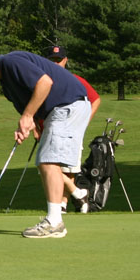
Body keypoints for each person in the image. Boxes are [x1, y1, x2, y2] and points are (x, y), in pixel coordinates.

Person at [0, 51, 91, 238]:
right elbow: (31, 110)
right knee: (46, 161)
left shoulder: (10, 61)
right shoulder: (7, 87)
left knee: (48, 160)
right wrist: (27, 125)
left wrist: (28, 116)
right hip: (60, 110)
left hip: (67, 104)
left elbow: (44, 83)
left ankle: (55, 222)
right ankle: (55, 220)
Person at [43, 45, 101, 213]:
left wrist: (83, 121)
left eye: (58, 60)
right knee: (49, 166)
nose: (56, 63)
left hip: (72, 130)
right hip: (51, 129)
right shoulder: (44, 80)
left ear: (65, 60)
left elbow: (95, 100)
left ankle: (62, 204)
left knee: (69, 169)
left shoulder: (75, 79)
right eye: (52, 60)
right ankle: (77, 194)